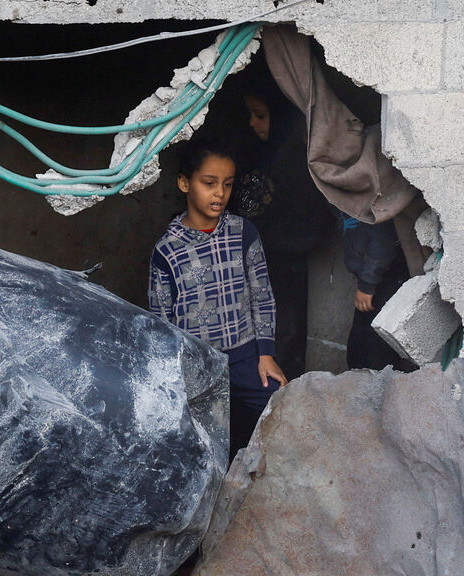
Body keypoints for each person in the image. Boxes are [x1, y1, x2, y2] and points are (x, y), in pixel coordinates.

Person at [148, 139, 288, 458]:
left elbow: (262, 295)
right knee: (204, 448)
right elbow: (161, 322)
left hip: (246, 356)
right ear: (185, 183)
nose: (220, 193)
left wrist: (265, 354)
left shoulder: (243, 232)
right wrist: (174, 377)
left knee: (282, 409)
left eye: (227, 184)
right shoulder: (167, 251)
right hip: (197, 366)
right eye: (209, 183)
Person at [233, 72, 333, 380]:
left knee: (283, 343)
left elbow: (313, 226)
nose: (253, 123)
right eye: (251, 115)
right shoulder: (253, 156)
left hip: (283, 272)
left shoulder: (299, 168)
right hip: (247, 273)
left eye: (261, 115)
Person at [341, 214, 418, 372]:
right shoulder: (346, 204)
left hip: (386, 280)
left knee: (376, 350)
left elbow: (384, 243)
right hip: (373, 280)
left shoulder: (372, 204)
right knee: (361, 348)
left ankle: (379, 389)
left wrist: (367, 284)